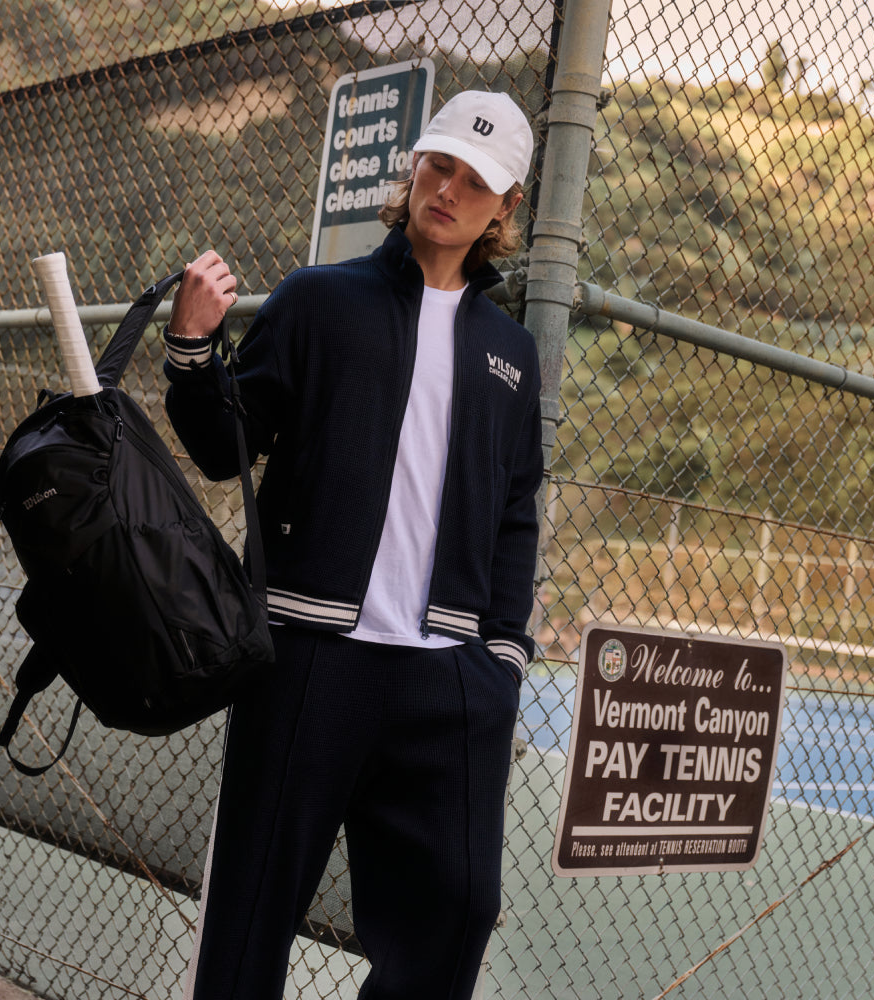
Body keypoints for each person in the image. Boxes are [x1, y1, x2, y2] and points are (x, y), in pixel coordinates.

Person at [162, 90, 542, 1000]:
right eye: (439, 164)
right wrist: (191, 349)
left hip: (450, 676)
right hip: (309, 657)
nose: (448, 189)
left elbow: (516, 511)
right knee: (253, 910)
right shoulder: (320, 300)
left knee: (457, 911)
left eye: (475, 180)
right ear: (415, 165)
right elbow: (224, 447)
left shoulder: (511, 352)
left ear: (506, 205)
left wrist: (501, 656)